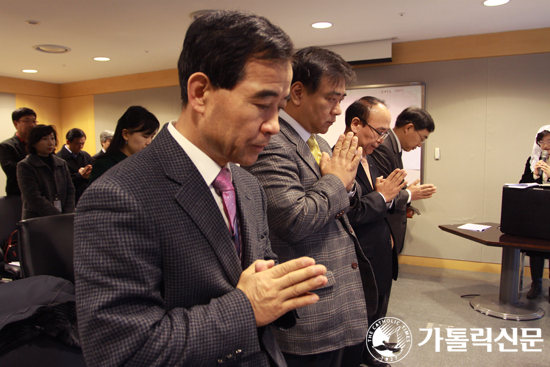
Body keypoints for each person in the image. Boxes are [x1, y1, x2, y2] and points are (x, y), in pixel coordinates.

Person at [74, 10, 329, 367]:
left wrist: (281, 290)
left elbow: (256, 277)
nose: (273, 126)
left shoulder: (247, 185)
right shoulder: (118, 197)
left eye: (280, 108)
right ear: (200, 93)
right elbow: (122, 351)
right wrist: (248, 307)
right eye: (261, 104)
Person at [244, 46, 377, 367]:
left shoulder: (320, 141)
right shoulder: (273, 143)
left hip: (340, 296)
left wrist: (344, 180)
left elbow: (350, 186)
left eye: (341, 99)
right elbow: (292, 220)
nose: (337, 110)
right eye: (331, 98)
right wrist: (336, 181)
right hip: (310, 309)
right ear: (298, 92)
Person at [344, 97, 407, 367]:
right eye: (379, 131)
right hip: (360, 251)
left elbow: (381, 199)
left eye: (386, 133)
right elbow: (350, 212)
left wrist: (387, 198)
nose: (382, 139)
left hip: (379, 246)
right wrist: (382, 197)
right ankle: (362, 353)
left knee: (379, 302)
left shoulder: (370, 158)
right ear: (356, 124)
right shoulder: (342, 159)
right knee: (363, 307)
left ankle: (372, 346)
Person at [371, 107, 437, 255]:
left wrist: (407, 191)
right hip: (381, 229)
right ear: (409, 128)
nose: (420, 145)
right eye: (422, 138)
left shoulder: (392, 145)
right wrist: (408, 194)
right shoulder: (384, 147)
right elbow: (381, 194)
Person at [16, 125, 74, 219]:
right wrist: (56, 216)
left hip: (63, 217)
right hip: (36, 219)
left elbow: (70, 190)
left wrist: (67, 213)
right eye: (45, 139)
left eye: (52, 138)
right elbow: (33, 197)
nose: (50, 143)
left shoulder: (61, 163)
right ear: (34, 143)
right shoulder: (25, 165)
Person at [89, 106, 159, 184]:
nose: (149, 142)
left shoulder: (148, 163)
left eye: (152, 137)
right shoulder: (105, 166)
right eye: (145, 136)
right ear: (126, 134)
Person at [519, 125, 550, 299]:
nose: (545, 145)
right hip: (538, 211)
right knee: (535, 249)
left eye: (549, 141)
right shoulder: (533, 160)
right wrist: (535, 176)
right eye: (542, 141)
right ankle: (536, 283)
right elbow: (522, 183)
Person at [0, 107, 37, 196]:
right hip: (18, 193)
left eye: (34, 121)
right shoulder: (6, 145)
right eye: (27, 121)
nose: (32, 125)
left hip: (39, 191)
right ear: (16, 124)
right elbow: (10, 168)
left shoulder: (38, 143)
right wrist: (36, 163)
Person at [56, 128, 93, 204]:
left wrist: (89, 174)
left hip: (86, 197)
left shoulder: (85, 156)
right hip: (69, 200)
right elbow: (60, 181)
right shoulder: (59, 158)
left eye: (82, 143)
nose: (80, 147)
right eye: (77, 144)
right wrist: (79, 175)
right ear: (68, 142)